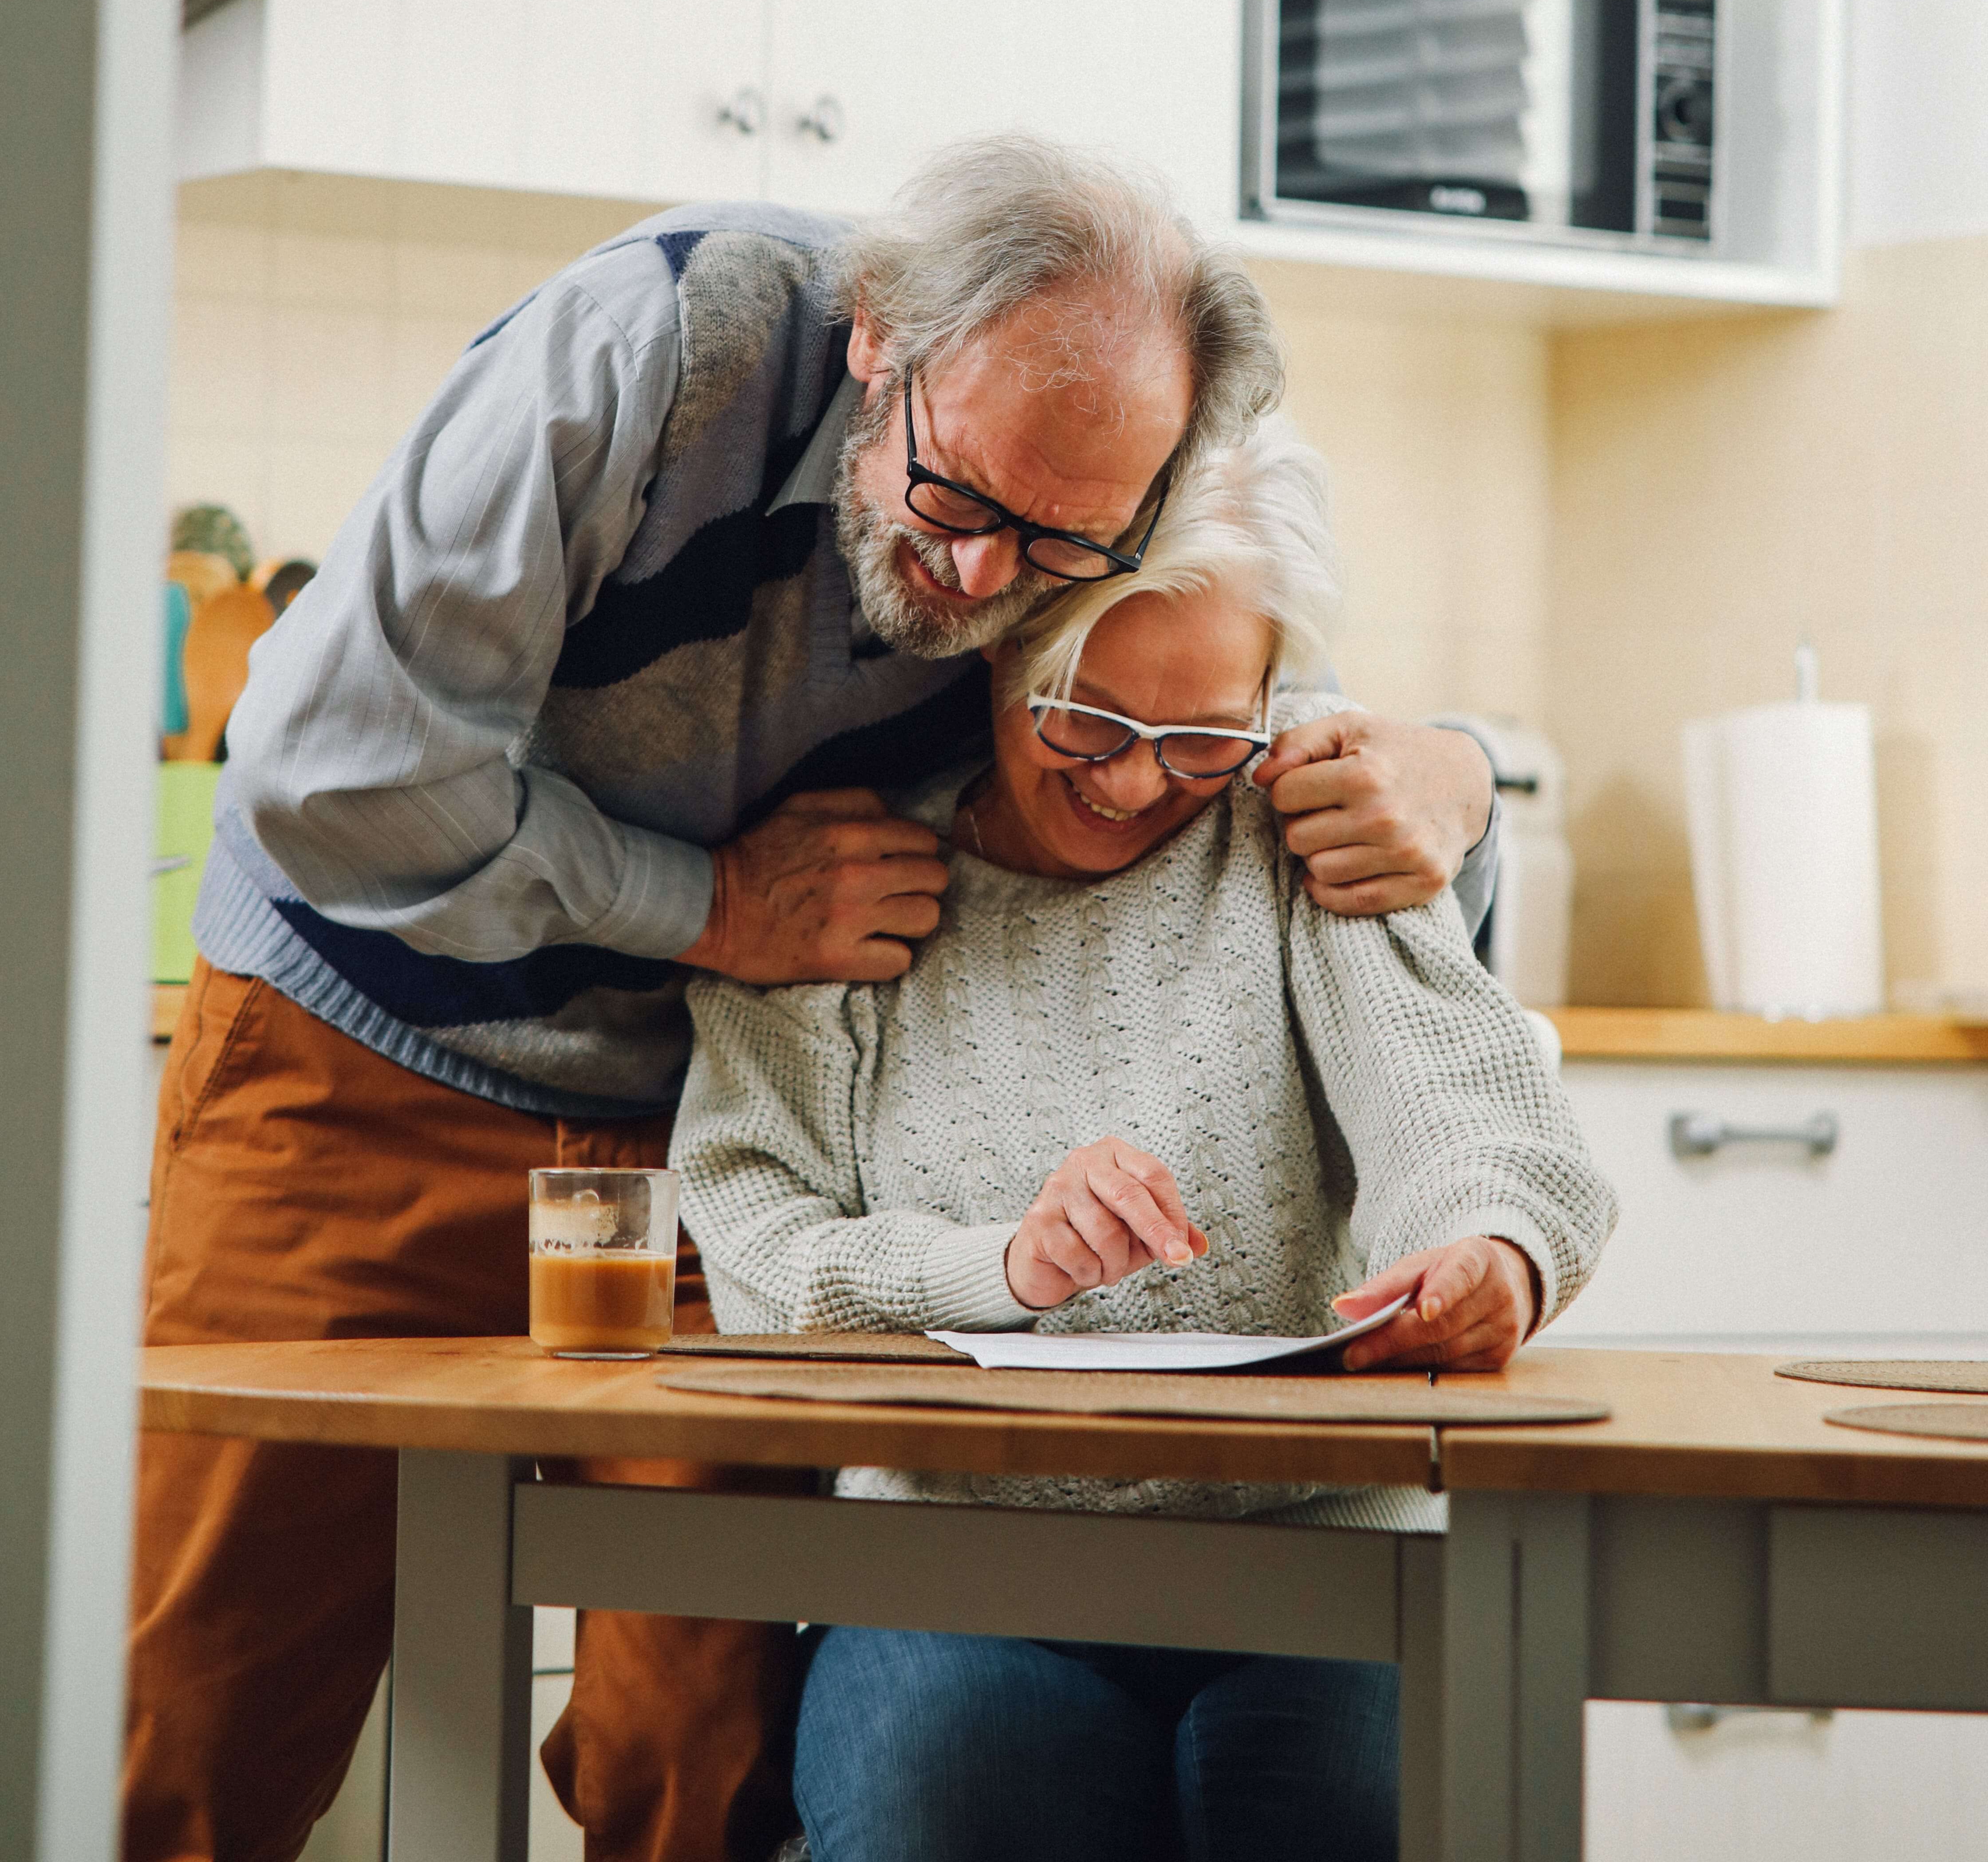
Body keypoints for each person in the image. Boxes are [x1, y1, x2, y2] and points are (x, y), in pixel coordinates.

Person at [128, 136, 1505, 1862]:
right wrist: (707, 906)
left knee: (693, 1739)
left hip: (714, 1120)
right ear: (877, 341)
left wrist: (1459, 777)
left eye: (1063, 547)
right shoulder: (653, 346)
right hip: (372, 1047)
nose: (992, 589)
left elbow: (1248, 694)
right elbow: (333, 772)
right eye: (958, 504)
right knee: (192, 1711)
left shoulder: (1125, 461)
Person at [674, 420, 1616, 1862]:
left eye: (1197, 738)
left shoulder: (1296, 836)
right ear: (997, 647)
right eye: (1085, 719)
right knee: (955, 1800)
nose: (1130, 783)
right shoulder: (843, 886)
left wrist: (1494, 1252)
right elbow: (754, 1246)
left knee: (1352, 1808)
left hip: (1321, 1552)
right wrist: (1003, 1265)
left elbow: (1480, 1118)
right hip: (956, 1566)